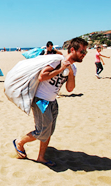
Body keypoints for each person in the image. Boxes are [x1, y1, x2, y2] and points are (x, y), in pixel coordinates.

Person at [13, 37, 88, 167]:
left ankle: (41, 157)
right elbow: (42, 77)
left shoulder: (73, 68)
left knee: (49, 131)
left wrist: (70, 72)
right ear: (72, 50)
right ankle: (19, 142)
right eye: (82, 51)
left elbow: (70, 88)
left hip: (52, 101)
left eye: (85, 52)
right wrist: (60, 69)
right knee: (42, 131)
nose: (84, 55)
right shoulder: (56, 61)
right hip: (40, 100)